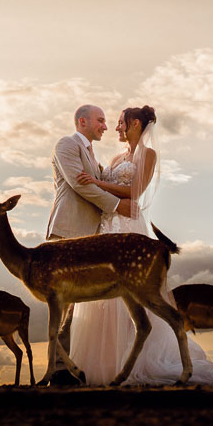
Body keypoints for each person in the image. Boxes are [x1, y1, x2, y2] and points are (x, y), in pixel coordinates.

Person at [68, 105, 213, 386]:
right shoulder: (116, 156)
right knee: (101, 298)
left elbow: (136, 192)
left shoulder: (148, 154)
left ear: (134, 123)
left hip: (130, 228)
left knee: (132, 295)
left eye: (120, 123)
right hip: (108, 226)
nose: (116, 128)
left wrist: (97, 182)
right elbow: (107, 186)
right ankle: (102, 364)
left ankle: (138, 362)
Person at [45, 104, 134, 384]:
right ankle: (59, 370)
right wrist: (118, 206)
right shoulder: (67, 145)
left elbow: (99, 180)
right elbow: (79, 185)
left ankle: (65, 368)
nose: (105, 126)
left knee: (72, 305)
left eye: (107, 121)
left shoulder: (93, 157)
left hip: (87, 238)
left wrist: (128, 162)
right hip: (68, 232)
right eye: (100, 120)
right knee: (60, 302)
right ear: (82, 121)